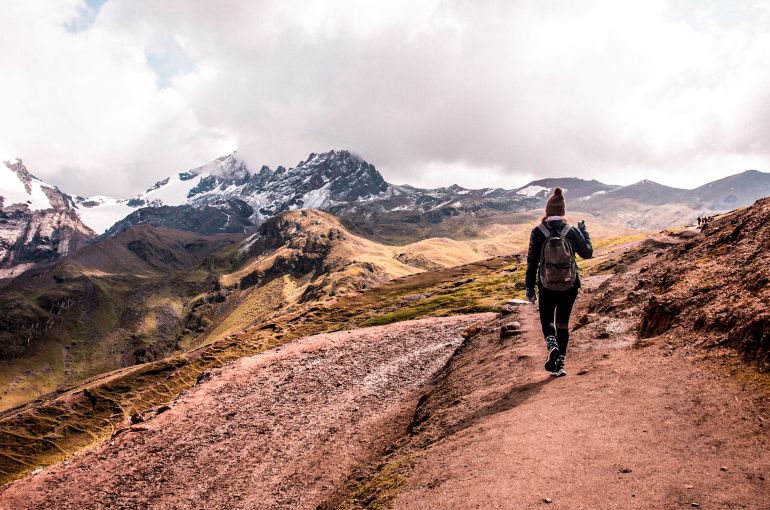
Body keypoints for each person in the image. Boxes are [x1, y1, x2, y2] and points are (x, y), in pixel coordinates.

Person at [525, 188, 593, 377]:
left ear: (547, 210)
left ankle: (551, 344)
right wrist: (584, 232)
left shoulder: (537, 232)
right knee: (562, 323)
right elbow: (588, 253)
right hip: (569, 285)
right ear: (563, 211)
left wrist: (529, 288)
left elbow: (532, 262)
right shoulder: (571, 231)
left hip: (546, 285)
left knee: (547, 320)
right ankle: (560, 364)